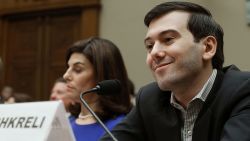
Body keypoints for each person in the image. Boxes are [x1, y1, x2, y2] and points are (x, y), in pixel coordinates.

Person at [100, 1, 250, 141]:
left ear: (208, 47)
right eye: (149, 46)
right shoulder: (149, 99)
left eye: (168, 39)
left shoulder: (244, 91)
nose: (154, 53)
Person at [63, 37, 133, 141]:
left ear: (103, 75)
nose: (65, 76)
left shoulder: (120, 128)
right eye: (68, 68)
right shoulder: (65, 123)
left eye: (77, 70)